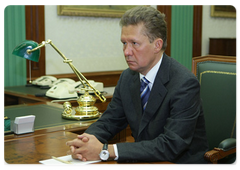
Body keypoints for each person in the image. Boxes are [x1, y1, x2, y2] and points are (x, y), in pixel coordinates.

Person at [66, 6, 209, 164]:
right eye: (124, 43)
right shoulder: (128, 77)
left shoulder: (184, 84)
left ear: (157, 45)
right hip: (144, 160)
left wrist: (107, 151)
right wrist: (85, 142)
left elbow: (171, 145)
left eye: (134, 43)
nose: (127, 51)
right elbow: (110, 121)